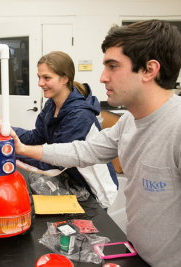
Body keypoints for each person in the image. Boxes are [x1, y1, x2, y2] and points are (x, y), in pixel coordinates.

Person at [10, 20, 181, 267]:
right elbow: (85, 150)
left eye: (113, 66)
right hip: (135, 252)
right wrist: (23, 148)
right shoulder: (130, 122)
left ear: (149, 70)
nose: (102, 77)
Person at [12, 51, 118, 205]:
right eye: (39, 77)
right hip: (71, 181)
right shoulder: (52, 104)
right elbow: (36, 137)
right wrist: (7, 131)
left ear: (65, 79)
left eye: (46, 78)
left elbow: (56, 163)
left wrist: (13, 152)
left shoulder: (80, 116)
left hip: (94, 191)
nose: (40, 83)